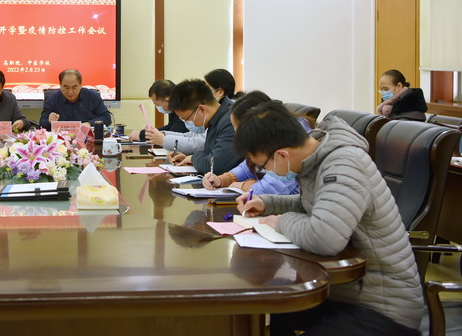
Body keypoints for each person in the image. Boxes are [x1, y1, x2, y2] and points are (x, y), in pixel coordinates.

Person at [235, 101, 423, 336]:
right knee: (276, 303)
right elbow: (316, 206)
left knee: (280, 301)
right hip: (346, 292)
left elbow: (325, 236)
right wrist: (268, 204)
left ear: (282, 155)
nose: (267, 172)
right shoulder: (317, 158)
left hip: (382, 306)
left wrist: (281, 221)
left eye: (264, 167)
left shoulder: (343, 164)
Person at [202, 91, 300, 195]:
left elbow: (270, 190)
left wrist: (245, 185)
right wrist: (221, 180)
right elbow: (247, 168)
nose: (237, 135)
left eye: (239, 129)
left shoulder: (287, 143)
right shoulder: (267, 141)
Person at [167, 79, 243, 174]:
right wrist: (189, 158)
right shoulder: (214, 120)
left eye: (187, 119)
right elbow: (209, 153)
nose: (187, 124)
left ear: (201, 109)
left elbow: (214, 166)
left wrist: (193, 158)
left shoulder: (231, 120)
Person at [39, 69, 112, 130]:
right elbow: (42, 123)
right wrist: (49, 121)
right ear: (60, 85)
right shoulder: (52, 99)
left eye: (74, 87)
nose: (70, 92)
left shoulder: (92, 96)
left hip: (87, 137)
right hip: (60, 139)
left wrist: (89, 123)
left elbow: (107, 118)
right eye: (66, 87)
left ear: (80, 85)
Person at [128, 79, 187, 144]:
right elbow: (170, 127)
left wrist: (142, 135)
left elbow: (173, 136)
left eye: (157, 104)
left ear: (167, 101)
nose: (157, 107)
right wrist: (151, 132)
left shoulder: (183, 109)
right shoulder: (174, 108)